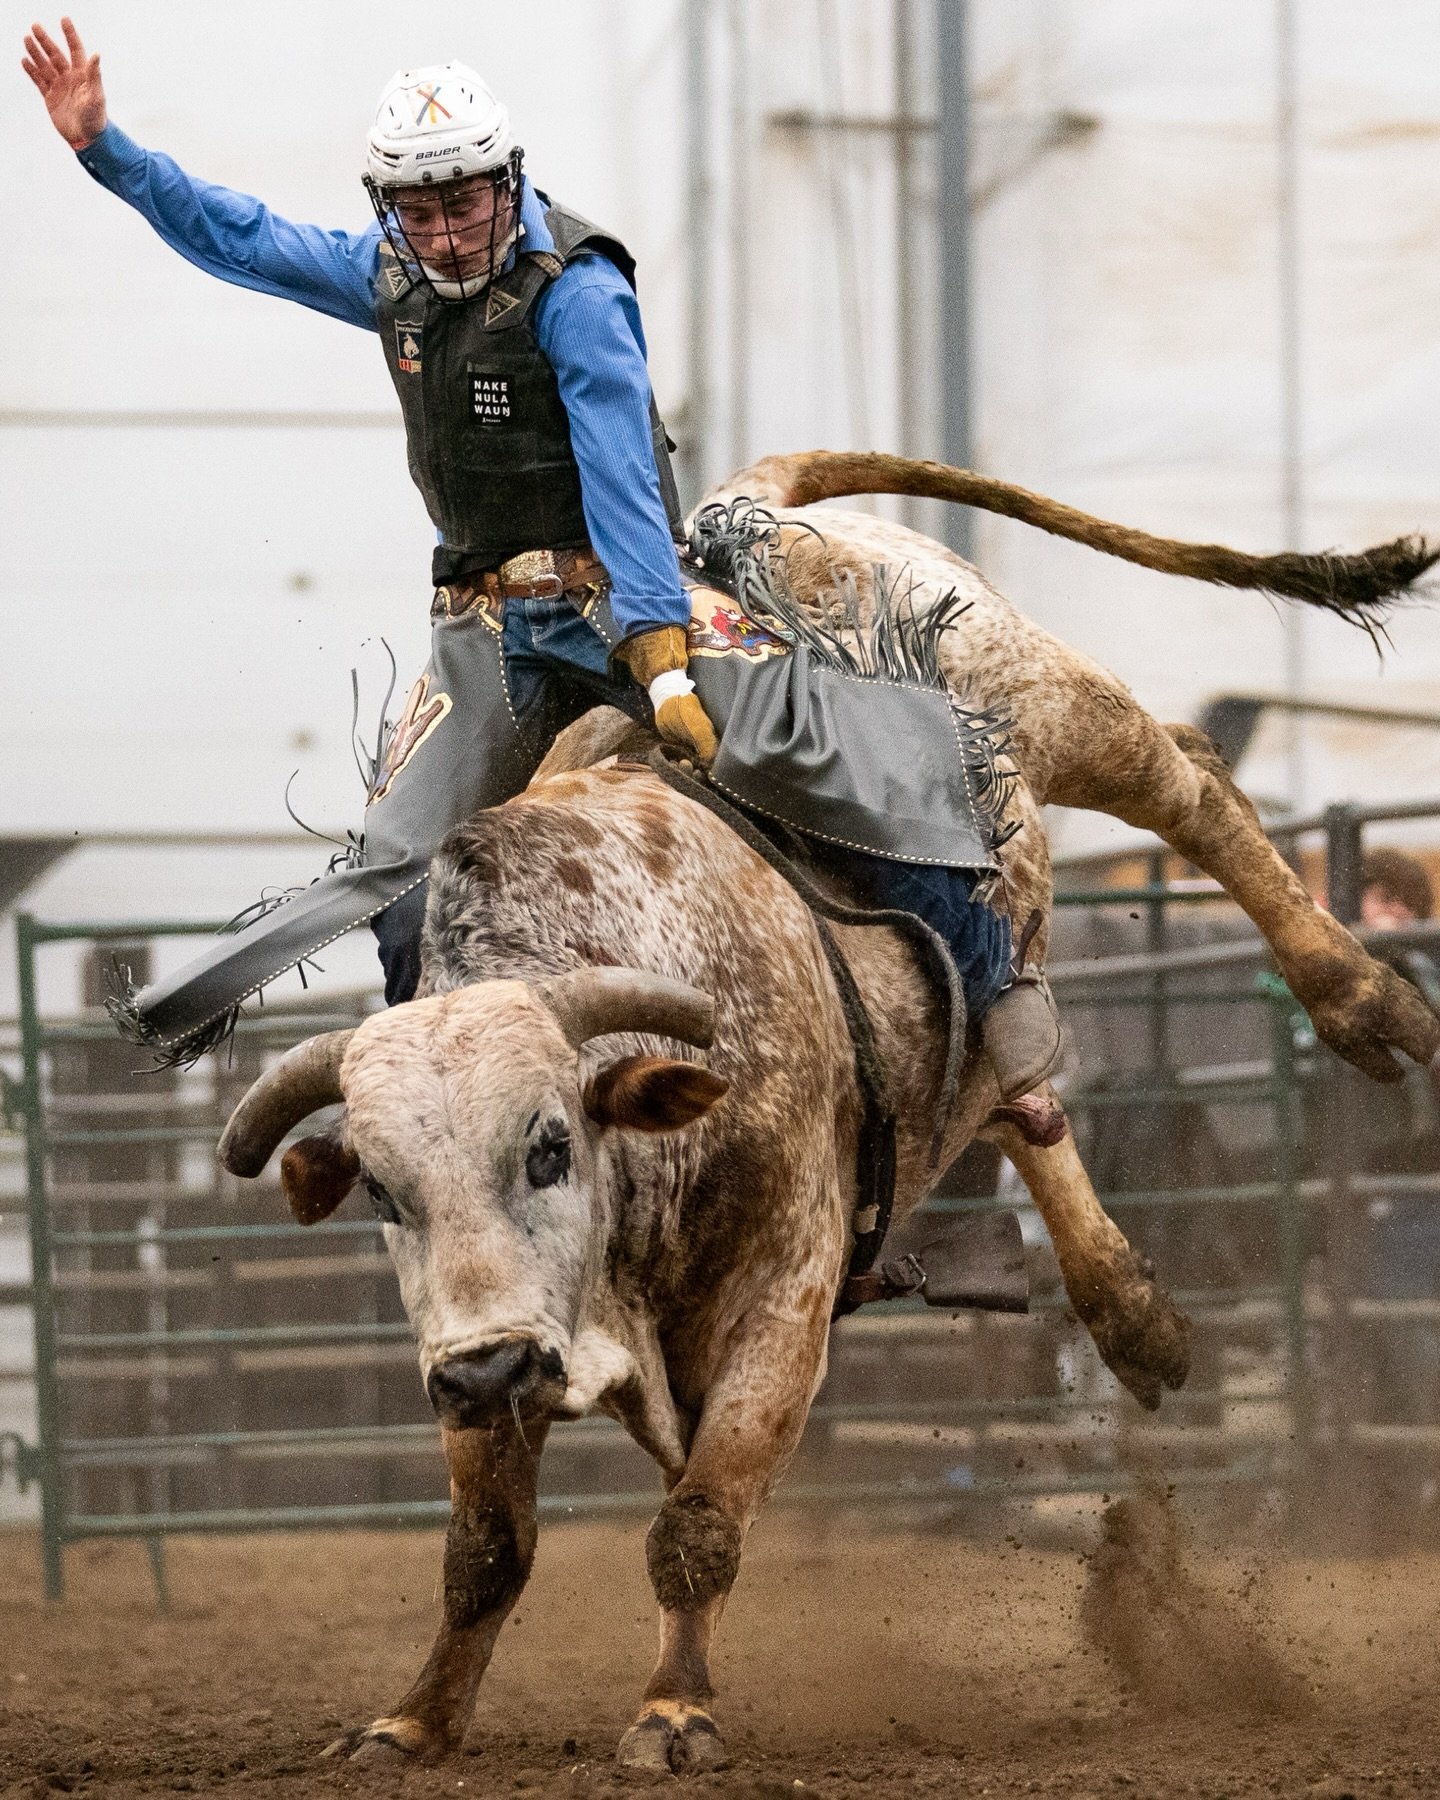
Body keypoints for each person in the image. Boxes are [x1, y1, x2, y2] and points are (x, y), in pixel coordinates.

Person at [25, 19, 1040, 1094]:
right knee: (395, 870)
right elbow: (243, 235)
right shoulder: (389, 279)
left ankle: (994, 985)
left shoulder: (579, 289)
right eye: (420, 211)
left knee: (816, 752)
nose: (448, 230)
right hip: (483, 631)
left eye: (464, 202)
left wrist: (662, 650)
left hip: (618, 596)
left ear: (507, 181)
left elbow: (618, 474)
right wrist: (106, 150)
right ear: (391, 211)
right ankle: (431, 1083)